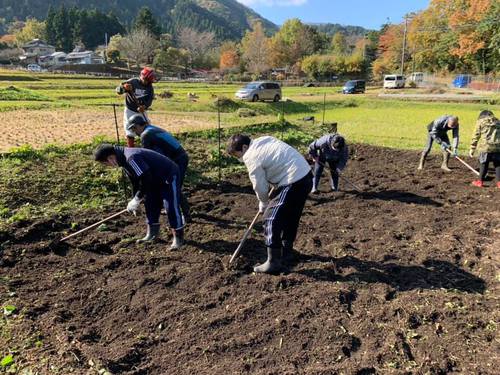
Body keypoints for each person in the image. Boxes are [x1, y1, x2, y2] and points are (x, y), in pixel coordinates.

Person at [227, 134, 312, 274]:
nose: (239, 159)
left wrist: (263, 202)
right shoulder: (264, 140)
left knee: (270, 218)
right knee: (291, 215)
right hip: (306, 175)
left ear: (244, 147)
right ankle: (287, 251)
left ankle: (273, 263)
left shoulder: (250, 156)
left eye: (238, 155)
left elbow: (260, 185)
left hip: (293, 180)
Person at [94, 143, 184, 250]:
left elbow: (145, 178)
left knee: (170, 206)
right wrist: (134, 200)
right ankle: (152, 234)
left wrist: (137, 198)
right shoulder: (123, 160)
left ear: (111, 158)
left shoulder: (131, 158)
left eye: (105, 163)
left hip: (167, 175)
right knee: (150, 203)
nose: (107, 166)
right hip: (152, 178)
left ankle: (178, 238)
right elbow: (135, 181)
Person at [126, 114, 191, 221]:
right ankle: (171, 208)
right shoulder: (151, 129)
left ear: (138, 126)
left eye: (134, 129)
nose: (134, 132)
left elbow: (148, 156)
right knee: (171, 185)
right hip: (175, 157)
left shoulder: (146, 135)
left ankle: (186, 215)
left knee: (175, 186)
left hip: (178, 159)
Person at [116, 67, 156, 147]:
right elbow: (118, 90)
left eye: (148, 81)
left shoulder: (150, 87)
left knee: (146, 126)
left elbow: (149, 100)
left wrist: (144, 107)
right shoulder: (133, 82)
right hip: (130, 110)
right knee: (130, 128)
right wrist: (124, 88)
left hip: (141, 111)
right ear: (142, 77)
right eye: (146, 80)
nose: (146, 82)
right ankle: (131, 148)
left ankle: (147, 146)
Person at [469, 110, 500, 188]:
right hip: (498, 147)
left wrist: (472, 148)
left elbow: (476, 135)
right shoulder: (498, 121)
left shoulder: (480, 122)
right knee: (498, 164)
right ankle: (499, 183)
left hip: (485, 147)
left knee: (483, 163)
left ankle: (479, 182)